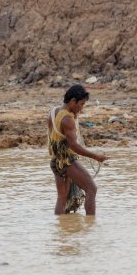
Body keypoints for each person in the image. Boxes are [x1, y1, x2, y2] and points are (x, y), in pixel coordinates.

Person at [48, 84, 110, 215]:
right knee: (91, 189)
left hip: (55, 161)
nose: (81, 109)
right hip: (67, 161)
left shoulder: (53, 113)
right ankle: (91, 224)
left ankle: (61, 228)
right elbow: (74, 146)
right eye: (81, 104)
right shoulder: (67, 119)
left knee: (62, 196)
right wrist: (95, 156)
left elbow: (52, 137)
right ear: (72, 101)